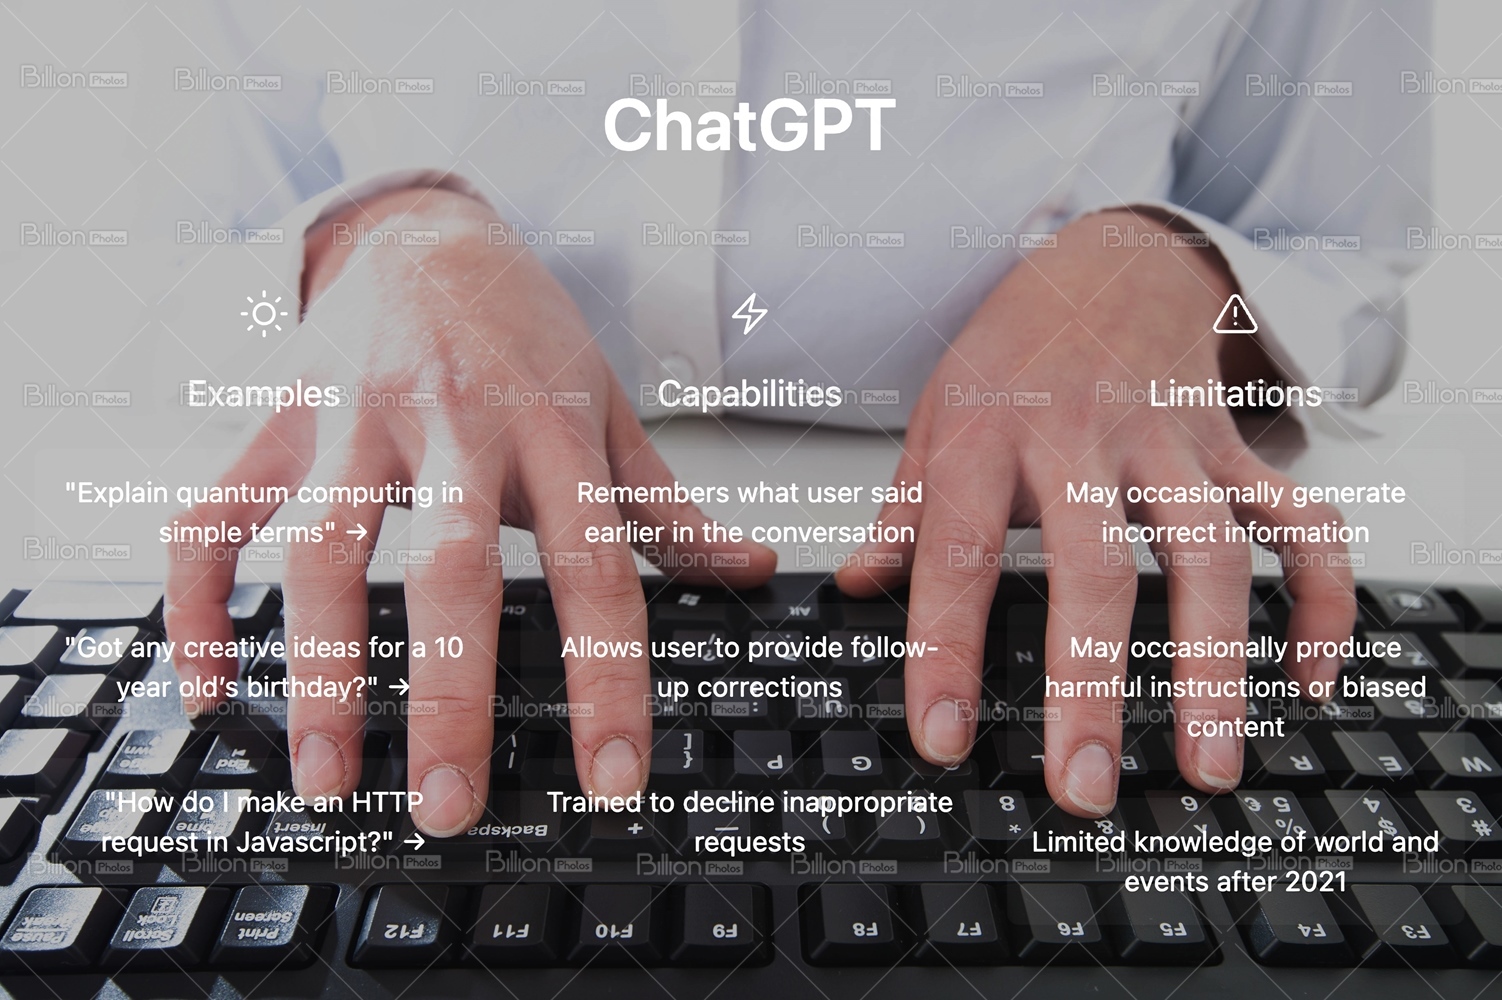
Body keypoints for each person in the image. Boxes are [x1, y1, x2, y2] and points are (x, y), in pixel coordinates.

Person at [164, 1, 1429, 836]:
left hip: (1066, 545)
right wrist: (381, 248)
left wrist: (1167, 272)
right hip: (416, 534)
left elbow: (1339, 252)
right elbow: (180, 241)